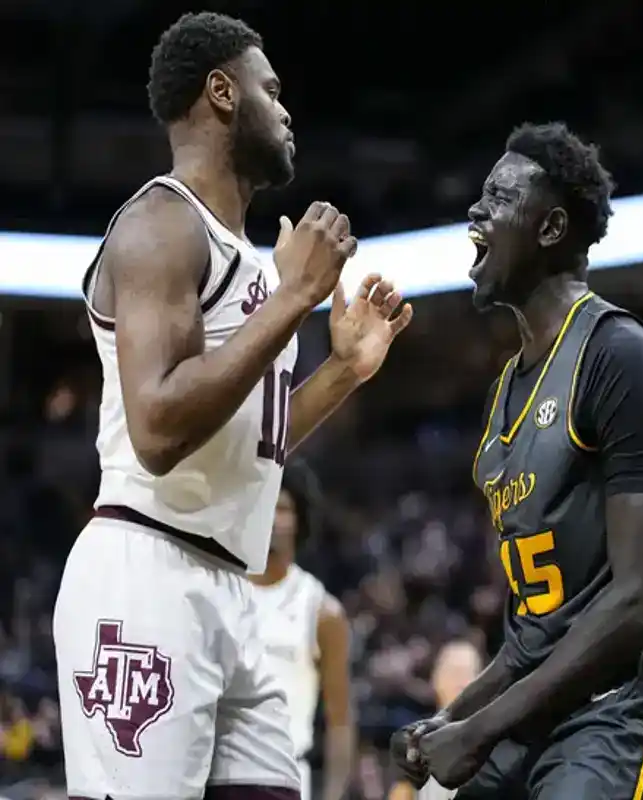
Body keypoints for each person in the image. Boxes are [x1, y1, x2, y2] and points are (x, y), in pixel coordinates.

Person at [54, 12, 412, 799]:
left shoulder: (249, 261)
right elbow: (156, 429)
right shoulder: (160, 224)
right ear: (222, 91)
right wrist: (291, 300)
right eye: (271, 89)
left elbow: (255, 437)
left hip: (229, 585)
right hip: (145, 573)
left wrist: (344, 371)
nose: (286, 110)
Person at [391, 122, 643, 799]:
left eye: (498, 198)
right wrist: (449, 718)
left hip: (625, 704)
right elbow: (531, 638)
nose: (476, 213)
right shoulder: (506, 392)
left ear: (550, 227)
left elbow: (637, 605)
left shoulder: (620, 357)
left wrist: (477, 733)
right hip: (543, 707)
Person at [250, 466, 354, 800]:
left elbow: (340, 721)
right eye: (264, 506)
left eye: (281, 509)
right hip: (220, 773)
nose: (272, 519)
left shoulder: (322, 610)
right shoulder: (222, 592)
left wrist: (334, 796)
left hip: (286, 777)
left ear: (300, 520)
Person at [388, 640, 484, 800]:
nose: (461, 681)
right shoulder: (413, 739)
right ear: (436, 679)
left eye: (468, 673)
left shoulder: (496, 740)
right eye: (454, 672)